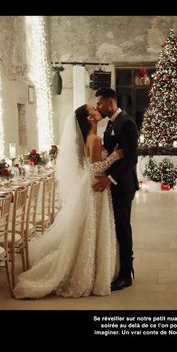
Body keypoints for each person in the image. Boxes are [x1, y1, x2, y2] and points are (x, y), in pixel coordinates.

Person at [14, 104, 121, 299]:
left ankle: (90, 267)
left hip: (89, 185)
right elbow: (97, 167)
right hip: (96, 185)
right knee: (92, 230)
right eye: (93, 110)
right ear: (90, 119)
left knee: (87, 231)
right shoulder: (94, 139)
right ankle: (89, 271)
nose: (97, 109)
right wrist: (115, 155)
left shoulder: (89, 138)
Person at [94, 88, 139, 291]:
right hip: (115, 184)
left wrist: (109, 179)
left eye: (100, 104)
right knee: (117, 227)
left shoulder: (126, 122)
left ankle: (126, 275)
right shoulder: (113, 122)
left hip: (123, 185)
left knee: (123, 227)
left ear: (110, 102)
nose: (97, 107)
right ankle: (123, 269)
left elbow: (131, 158)